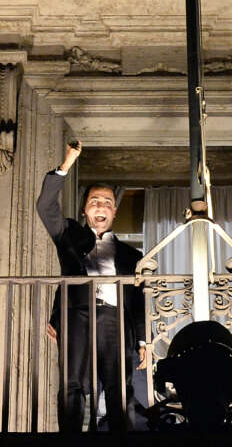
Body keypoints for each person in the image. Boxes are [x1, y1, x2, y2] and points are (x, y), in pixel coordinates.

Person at [36, 141, 146, 432]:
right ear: (85, 209)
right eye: (95, 201)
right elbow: (45, 206)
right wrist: (67, 162)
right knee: (72, 384)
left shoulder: (132, 256)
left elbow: (137, 299)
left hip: (115, 318)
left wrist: (143, 340)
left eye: (108, 203)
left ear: (114, 212)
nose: (102, 206)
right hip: (77, 315)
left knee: (118, 386)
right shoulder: (69, 234)